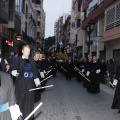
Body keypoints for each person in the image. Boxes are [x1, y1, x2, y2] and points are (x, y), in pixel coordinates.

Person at [11, 45, 40, 120]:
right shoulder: (18, 59)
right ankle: (19, 116)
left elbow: (34, 71)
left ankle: (28, 117)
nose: (27, 53)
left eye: (29, 52)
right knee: (20, 99)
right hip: (20, 83)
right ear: (22, 51)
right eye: (26, 51)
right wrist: (16, 73)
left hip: (29, 83)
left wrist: (36, 80)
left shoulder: (31, 60)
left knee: (29, 100)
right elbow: (13, 69)